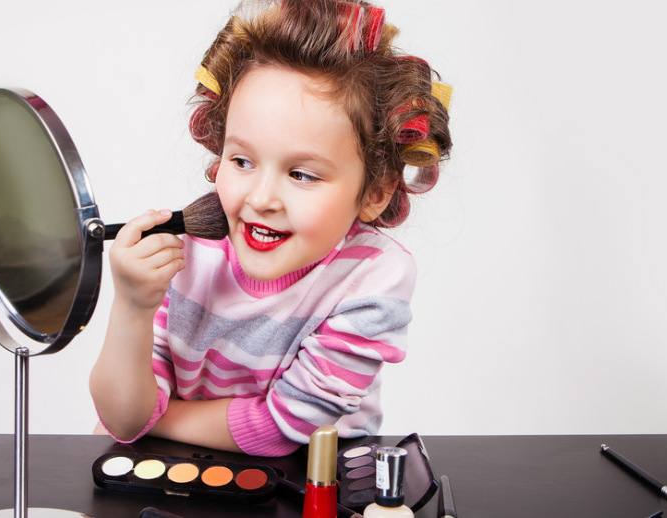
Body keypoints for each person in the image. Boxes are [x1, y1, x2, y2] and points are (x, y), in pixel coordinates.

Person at [89, 0, 452, 457]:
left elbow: (283, 427)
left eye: (302, 174)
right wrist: (131, 306)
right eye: (242, 160)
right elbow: (121, 417)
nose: (261, 199)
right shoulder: (188, 253)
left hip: (313, 483)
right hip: (185, 479)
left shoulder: (373, 278)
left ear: (375, 190)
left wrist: (153, 419)